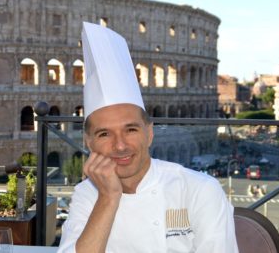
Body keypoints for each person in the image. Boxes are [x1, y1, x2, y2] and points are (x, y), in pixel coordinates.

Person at [57, 22, 238, 253]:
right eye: (104, 134)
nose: (120, 145)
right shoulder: (87, 193)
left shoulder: (200, 189)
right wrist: (109, 197)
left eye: (131, 130)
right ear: (88, 142)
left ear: (149, 133)